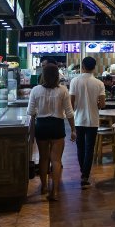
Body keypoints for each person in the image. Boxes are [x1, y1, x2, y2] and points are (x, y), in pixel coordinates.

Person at [28, 63, 75, 201]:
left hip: (41, 125)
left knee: (43, 159)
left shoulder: (35, 90)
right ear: (57, 76)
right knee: (56, 159)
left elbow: (31, 114)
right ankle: (54, 191)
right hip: (57, 125)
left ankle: (43, 187)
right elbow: (69, 112)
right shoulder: (63, 90)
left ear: (43, 75)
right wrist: (73, 129)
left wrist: (31, 134)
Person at [69, 56, 106, 188]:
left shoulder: (74, 81)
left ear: (82, 66)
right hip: (93, 120)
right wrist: (95, 103)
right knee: (90, 149)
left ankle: (82, 171)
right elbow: (102, 104)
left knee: (80, 147)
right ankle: (85, 175)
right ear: (94, 67)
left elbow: (71, 104)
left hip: (78, 120)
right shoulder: (99, 83)